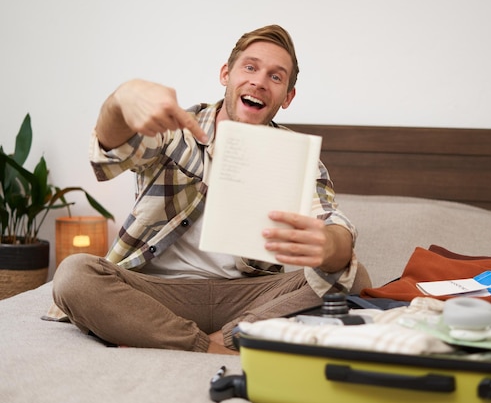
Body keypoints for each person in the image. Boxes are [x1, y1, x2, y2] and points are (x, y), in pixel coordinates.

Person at [52, 24, 371, 353]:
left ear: (287, 97)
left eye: (276, 77)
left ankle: (202, 336)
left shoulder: (296, 156)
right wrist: (119, 102)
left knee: (355, 277)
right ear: (226, 75)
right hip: (157, 293)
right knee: (74, 275)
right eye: (250, 67)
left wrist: (331, 246)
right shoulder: (174, 127)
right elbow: (109, 155)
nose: (259, 82)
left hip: (248, 298)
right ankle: (214, 346)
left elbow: (334, 226)